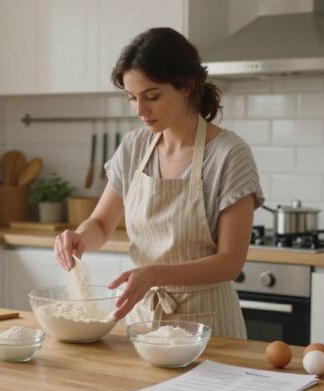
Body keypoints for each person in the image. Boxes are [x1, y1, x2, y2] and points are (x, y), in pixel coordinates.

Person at [53, 27, 264, 339]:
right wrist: (80, 238)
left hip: (209, 328)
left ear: (187, 87)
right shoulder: (134, 147)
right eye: (132, 98)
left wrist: (154, 274)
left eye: (152, 96)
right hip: (142, 324)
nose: (140, 110)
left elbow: (230, 262)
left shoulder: (229, 154)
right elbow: (100, 223)